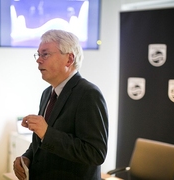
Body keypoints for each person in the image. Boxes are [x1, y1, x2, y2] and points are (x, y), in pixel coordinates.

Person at [13, 29, 109, 180]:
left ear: (69, 59)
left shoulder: (89, 94)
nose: (38, 60)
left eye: (45, 54)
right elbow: (42, 141)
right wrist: (27, 157)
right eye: (38, 55)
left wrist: (47, 133)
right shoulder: (47, 93)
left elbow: (95, 153)